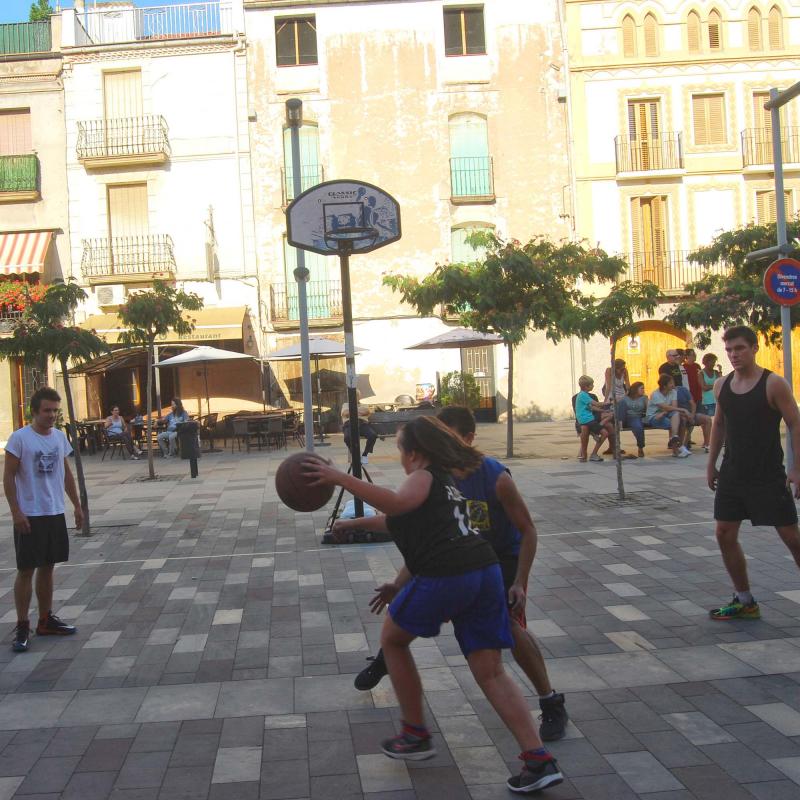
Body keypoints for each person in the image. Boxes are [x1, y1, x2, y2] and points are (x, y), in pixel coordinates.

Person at [302, 417, 563, 792]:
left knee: (392, 640)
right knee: (491, 672)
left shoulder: (424, 476)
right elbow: (400, 519)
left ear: (415, 452)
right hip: (485, 572)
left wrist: (340, 479)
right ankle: (538, 760)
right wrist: (355, 525)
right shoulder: (446, 483)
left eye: (401, 449)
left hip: (448, 575)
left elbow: (396, 502)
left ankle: (414, 733)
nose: (401, 457)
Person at [349, 406, 569, 742]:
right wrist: (396, 581)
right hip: (460, 560)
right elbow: (430, 540)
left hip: (498, 557)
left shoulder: (493, 476)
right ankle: (388, 658)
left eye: (447, 439)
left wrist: (520, 582)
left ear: (467, 440)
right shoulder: (437, 478)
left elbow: (528, 530)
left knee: (508, 627)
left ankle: (549, 699)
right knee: (410, 623)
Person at [707, 325, 800, 620]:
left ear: (754, 348)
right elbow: (719, 424)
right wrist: (711, 465)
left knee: (792, 538)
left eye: (740, 348)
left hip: (768, 475)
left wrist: (797, 468)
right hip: (733, 474)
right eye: (730, 350)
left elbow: (796, 424)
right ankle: (745, 600)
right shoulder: (721, 385)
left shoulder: (773, 384)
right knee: (724, 533)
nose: (734, 354)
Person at [4, 387, 83, 653]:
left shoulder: (60, 438)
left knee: (48, 566)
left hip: (53, 511)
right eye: (47, 410)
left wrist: (77, 506)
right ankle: (23, 624)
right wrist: (16, 511)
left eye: (55, 410)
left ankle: (46, 619)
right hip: (30, 514)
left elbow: (67, 475)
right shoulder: (20, 439)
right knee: (26, 568)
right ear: (35, 411)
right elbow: (8, 478)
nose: (51, 415)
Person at [645, 374, 691, 457]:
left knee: (677, 416)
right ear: (664, 386)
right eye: (670, 383)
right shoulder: (655, 394)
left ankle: (676, 441)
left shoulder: (673, 392)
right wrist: (683, 410)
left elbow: (674, 407)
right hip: (654, 416)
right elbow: (665, 407)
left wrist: (666, 412)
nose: (673, 385)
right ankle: (678, 448)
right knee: (672, 424)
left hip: (666, 413)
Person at [575, 376, 613, 462]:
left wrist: (602, 410)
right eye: (591, 385)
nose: (593, 386)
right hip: (586, 420)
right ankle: (594, 435)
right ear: (586, 387)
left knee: (604, 432)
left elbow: (591, 407)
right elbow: (596, 404)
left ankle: (594, 433)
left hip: (587, 419)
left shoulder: (583, 395)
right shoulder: (583, 395)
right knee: (605, 433)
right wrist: (608, 403)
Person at [602, 358, 630, 455]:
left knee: (618, 422)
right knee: (611, 422)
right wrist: (606, 401)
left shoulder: (624, 371)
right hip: (611, 396)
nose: (622, 371)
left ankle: (616, 446)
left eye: (623, 369)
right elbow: (608, 386)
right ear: (615, 368)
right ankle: (612, 446)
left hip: (622, 396)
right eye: (620, 369)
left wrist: (626, 396)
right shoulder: (609, 371)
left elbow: (628, 385)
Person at [341, 399, 379, 465]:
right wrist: (359, 412)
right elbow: (344, 413)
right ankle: (355, 455)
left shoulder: (363, 405)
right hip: (349, 424)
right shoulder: (345, 404)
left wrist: (352, 411)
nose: (355, 397)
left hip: (362, 424)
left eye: (357, 395)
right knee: (347, 437)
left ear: (359, 397)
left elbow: (366, 412)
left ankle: (365, 455)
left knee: (373, 435)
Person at [619, 381, 648, 458]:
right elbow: (620, 409)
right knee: (622, 403)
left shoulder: (644, 398)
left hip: (637, 417)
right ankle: (620, 423)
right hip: (625, 417)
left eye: (643, 388)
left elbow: (648, 409)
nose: (643, 390)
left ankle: (640, 447)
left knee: (638, 427)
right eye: (641, 388)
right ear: (635, 389)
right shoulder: (625, 398)